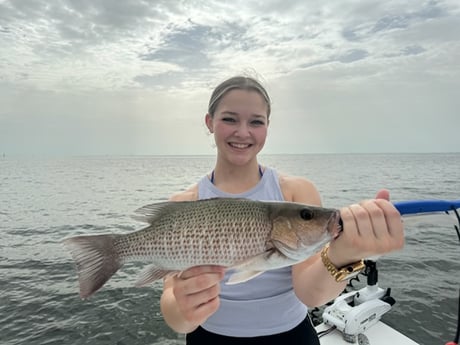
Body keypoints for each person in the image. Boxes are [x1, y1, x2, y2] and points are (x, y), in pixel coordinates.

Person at [160, 75, 404, 344]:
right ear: (209, 122)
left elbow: (311, 295)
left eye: (256, 121)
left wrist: (343, 256)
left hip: (290, 336)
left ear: (267, 126)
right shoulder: (184, 203)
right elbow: (173, 311)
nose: (243, 132)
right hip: (210, 337)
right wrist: (183, 311)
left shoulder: (297, 191)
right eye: (230, 119)